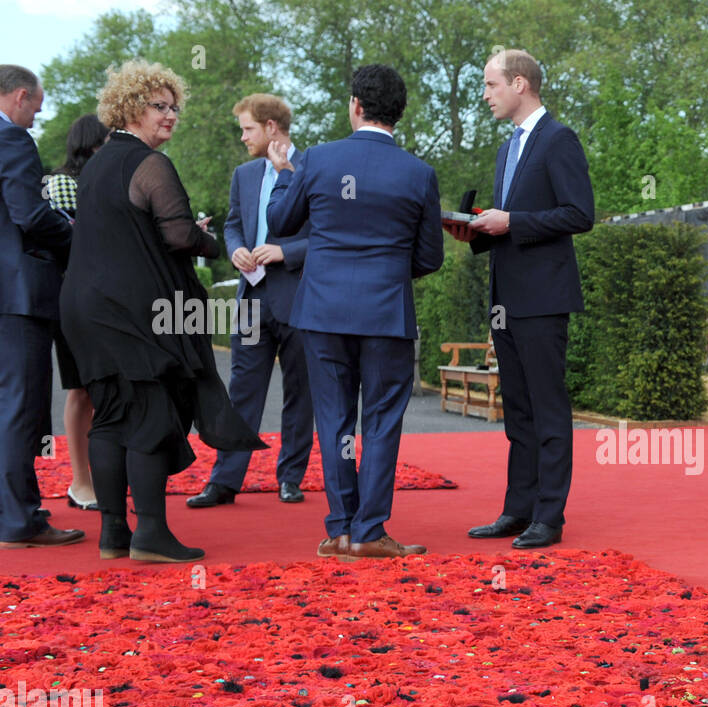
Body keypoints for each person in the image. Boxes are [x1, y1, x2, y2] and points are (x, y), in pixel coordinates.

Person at [59, 60, 263, 562]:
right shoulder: (149, 164)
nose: (170, 116)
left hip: (83, 307)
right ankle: (150, 532)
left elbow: (124, 234)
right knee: (150, 412)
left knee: (108, 417)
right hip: (133, 310)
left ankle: (113, 534)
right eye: (159, 107)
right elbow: (176, 235)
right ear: (131, 108)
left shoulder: (96, 166)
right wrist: (211, 241)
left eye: (174, 107)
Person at [267, 64, 442, 560]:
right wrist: (385, 272)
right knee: (382, 421)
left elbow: (280, 223)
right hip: (386, 313)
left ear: (356, 107)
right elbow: (430, 257)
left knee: (335, 420)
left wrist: (283, 176)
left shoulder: (317, 160)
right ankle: (369, 530)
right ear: (398, 115)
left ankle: (341, 528)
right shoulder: (419, 173)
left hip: (322, 313)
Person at [450, 49, 595, 549]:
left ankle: (548, 517)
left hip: (543, 298)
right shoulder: (507, 148)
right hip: (505, 298)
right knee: (517, 411)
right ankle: (518, 510)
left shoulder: (559, 139)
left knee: (547, 408)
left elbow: (580, 213)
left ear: (519, 83)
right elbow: (509, 225)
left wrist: (511, 221)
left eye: (490, 85)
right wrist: (475, 232)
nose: (485, 95)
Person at [187, 93, 314, 510]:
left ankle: (290, 479)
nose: (243, 137)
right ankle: (225, 482)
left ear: (271, 127)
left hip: (300, 299)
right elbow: (235, 225)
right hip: (251, 299)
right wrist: (237, 248)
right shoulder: (243, 174)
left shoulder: (315, 168)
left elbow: (330, 235)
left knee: (301, 393)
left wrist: (286, 252)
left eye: (248, 128)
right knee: (242, 392)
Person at [0, 64, 81, 550]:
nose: (38, 115)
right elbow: (29, 214)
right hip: (18, 296)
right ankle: (19, 520)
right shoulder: (12, 141)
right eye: (36, 106)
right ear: (20, 96)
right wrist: (74, 233)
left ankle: (15, 510)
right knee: (20, 409)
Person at [45, 113, 109, 513]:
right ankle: (80, 480)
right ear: (89, 145)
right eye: (105, 142)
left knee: (110, 390)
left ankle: (106, 476)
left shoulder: (109, 179)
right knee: (81, 389)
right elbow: (79, 240)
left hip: (110, 299)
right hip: (75, 297)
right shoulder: (63, 183)